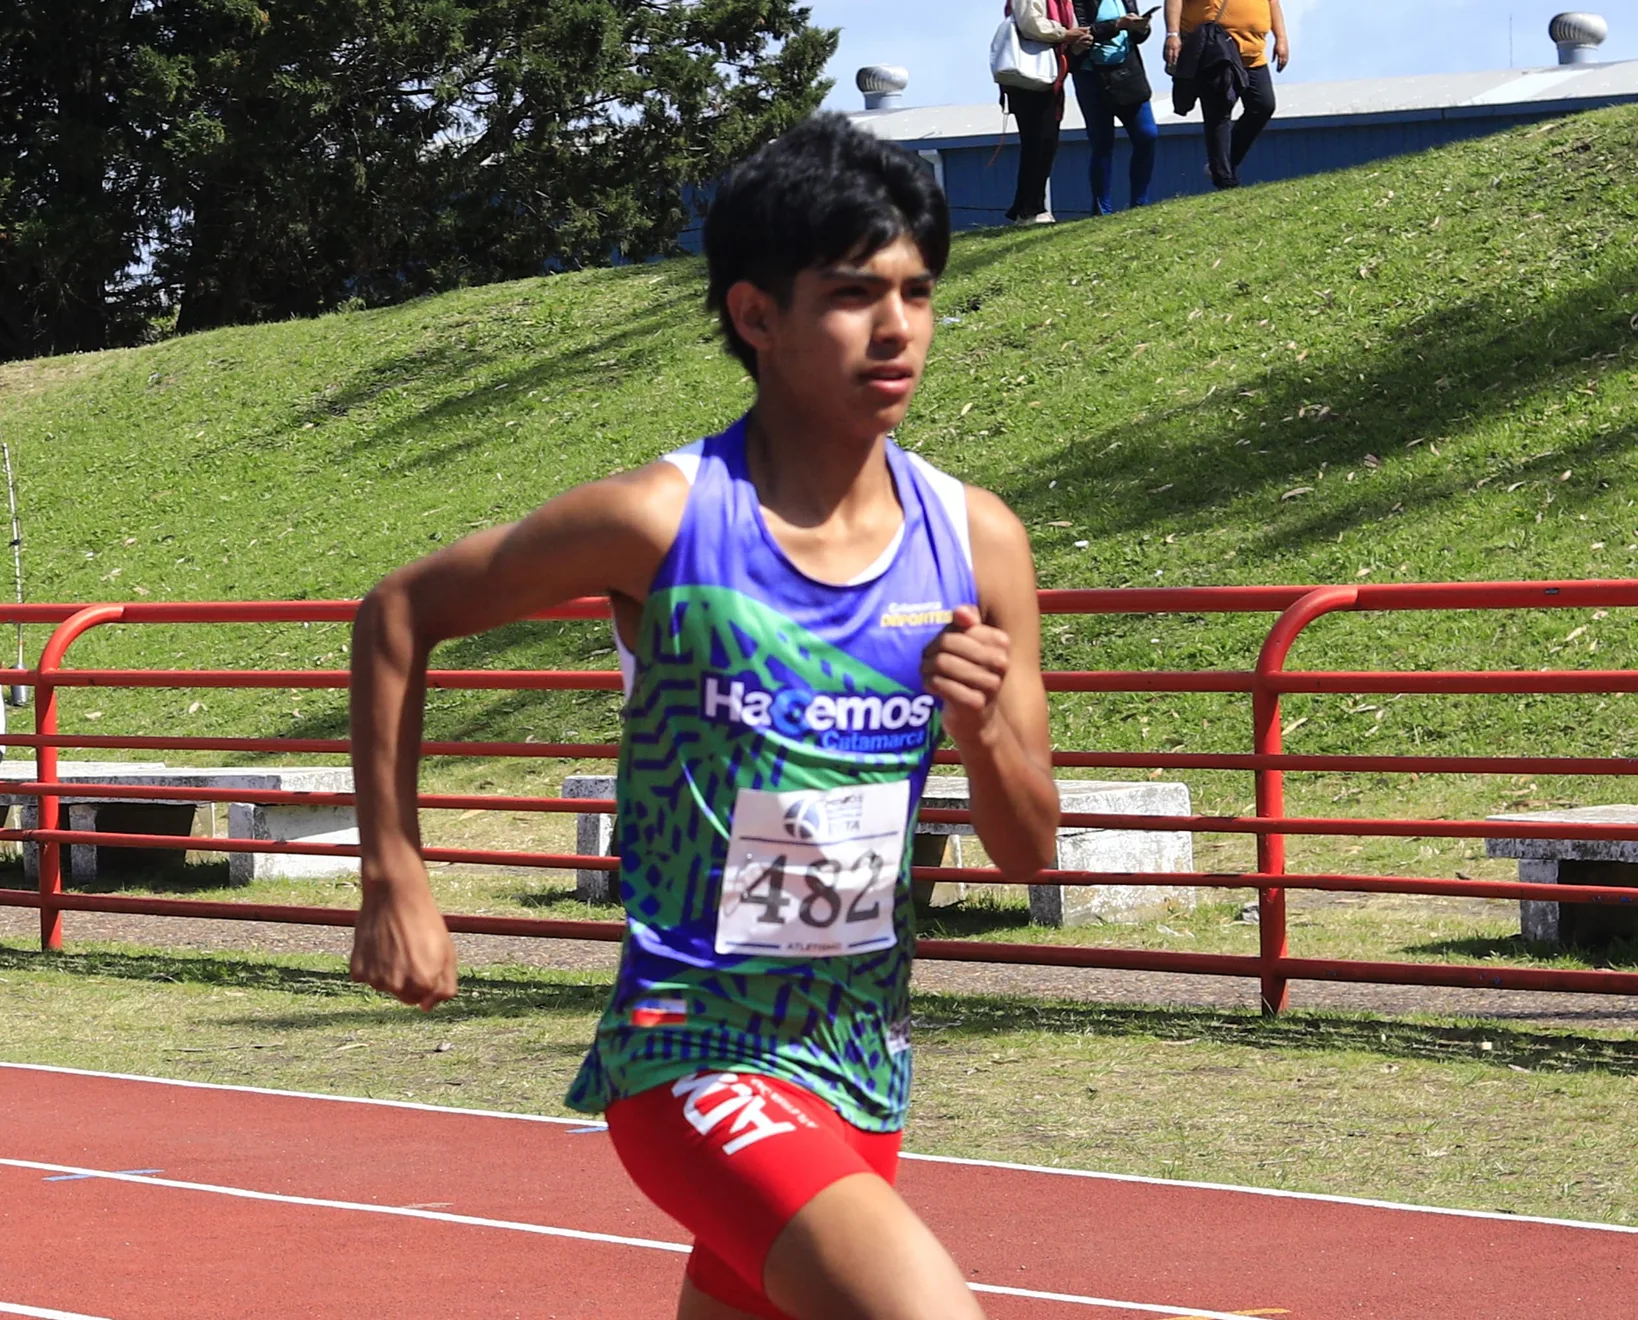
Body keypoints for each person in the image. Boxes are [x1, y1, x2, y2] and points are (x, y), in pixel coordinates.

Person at [346, 112, 1060, 1320]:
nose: (897, 329)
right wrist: (395, 874)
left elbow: (1031, 850)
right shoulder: (662, 523)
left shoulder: (977, 541)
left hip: (858, 1061)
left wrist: (988, 733)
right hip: (694, 1050)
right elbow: (398, 614)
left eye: (918, 292)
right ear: (756, 315)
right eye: (852, 294)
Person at [1164, 0, 1290, 189]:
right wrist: (1172, 34)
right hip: (1217, 48)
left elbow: (1272, 3)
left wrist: (1281, 38)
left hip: (1252, 53)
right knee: (1219, 111)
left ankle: (1223, 164)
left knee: (1263, 105)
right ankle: (1224, 178)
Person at [1069, 0, 1160, 214]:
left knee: (1147, 135)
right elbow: (1080, 33)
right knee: (1102, 144)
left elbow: (1136, 37)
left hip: (1128, 73)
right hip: (1091, 77)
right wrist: (1117, 24)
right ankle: (1102, 209)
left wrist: (1142, 27)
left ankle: (1140, 204)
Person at [1004, 0, 1091, 223]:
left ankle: (1026, 206)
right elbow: (1030, 24)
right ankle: (1031, 208)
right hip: (1027, 76)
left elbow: (1068, 27)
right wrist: (1065, 34)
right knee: (1036, 140)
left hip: (1051, 74)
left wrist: (1078, 39)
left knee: (1047, 141)